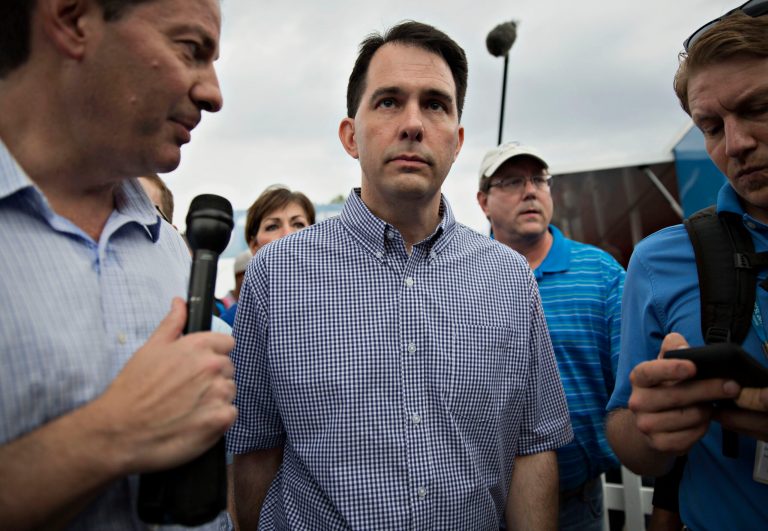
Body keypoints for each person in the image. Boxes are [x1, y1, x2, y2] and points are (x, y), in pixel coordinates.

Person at [227, 20, 572, 530]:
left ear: (456, 142)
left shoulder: (508, 279)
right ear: (350, 135)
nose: (413, 123)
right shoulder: (276, 277)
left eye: (435, 103)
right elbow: (254, 452)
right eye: (388, 101)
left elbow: (532, 449)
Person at [0, 0, 236, 528]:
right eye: (190, 49)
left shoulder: (172, 249)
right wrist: (114, 433)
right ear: (72, 19)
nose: (213, 93)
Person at [605, 7, 768, 530]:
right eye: (712, 127)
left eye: (759, 107)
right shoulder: (658, 260)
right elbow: (629, 434)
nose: (735, 144)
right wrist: (653, 426)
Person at [476, 142, 625, 531]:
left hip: (578, 503)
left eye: (538, 180)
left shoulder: (601, 274)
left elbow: (630, 385)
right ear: (483, 202)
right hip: (482, 505)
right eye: (511, 181)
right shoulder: (463, 280)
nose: (530, 191)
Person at [220, 186, 315, 326]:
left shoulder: (338, 302)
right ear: (254, 246)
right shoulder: (231, 324)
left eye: (298, 224)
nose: (288, 234)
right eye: (272, 227)